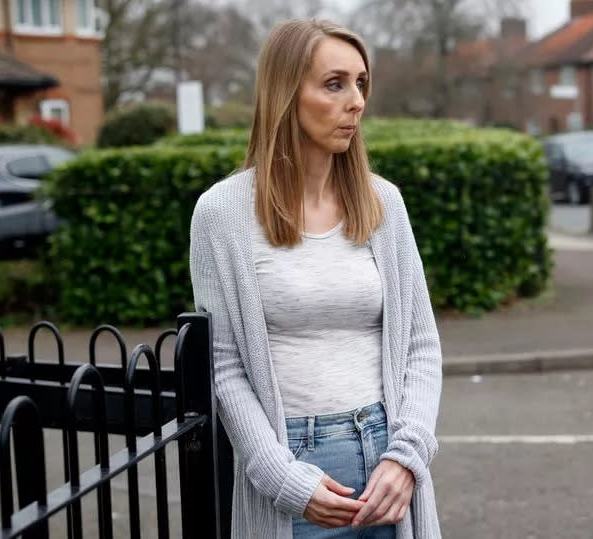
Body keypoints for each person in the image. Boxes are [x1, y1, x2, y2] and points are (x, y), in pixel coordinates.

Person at [188, 18, 443, 538]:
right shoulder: (222, 213)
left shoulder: (383, 204)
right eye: (334, 84)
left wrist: (407, 457)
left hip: (387, 462)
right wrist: (281, 477)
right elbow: (223, 366)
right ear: (286, 93)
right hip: (296, 472)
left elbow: (420, 343)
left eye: (361, 83)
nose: (356, 101)